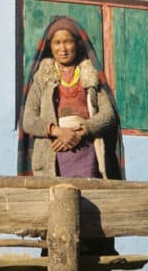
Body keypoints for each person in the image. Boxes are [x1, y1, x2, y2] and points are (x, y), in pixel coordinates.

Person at [19, 15, 123, 181]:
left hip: (87, 150)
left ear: (77, 44)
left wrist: (79, 133)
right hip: (52, 150)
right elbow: (29, 120)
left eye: (68, 41)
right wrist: (59, 132)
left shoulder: (90, 76)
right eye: (57, 42)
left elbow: (108, 116)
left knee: (89, 200)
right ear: (50, 47)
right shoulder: (41, 79)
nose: (63, 48)